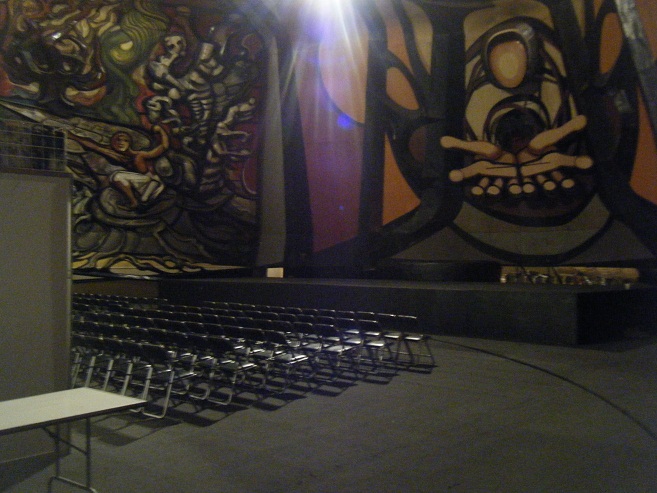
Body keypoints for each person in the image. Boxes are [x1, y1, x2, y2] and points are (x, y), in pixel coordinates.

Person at [69, 125, 169, 209]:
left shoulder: (139, 155)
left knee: (117, 176)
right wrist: (72, 136)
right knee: (112, 179)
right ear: (113, 142)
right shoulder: (114, 154)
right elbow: (93, 145)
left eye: (125, 140)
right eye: (118, 140)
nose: (121, 142)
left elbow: (163, 147)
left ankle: (135, 202)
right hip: (140, 185)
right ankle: (137, 201)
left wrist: (161, 130)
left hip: (152, 183)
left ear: (129, 143)